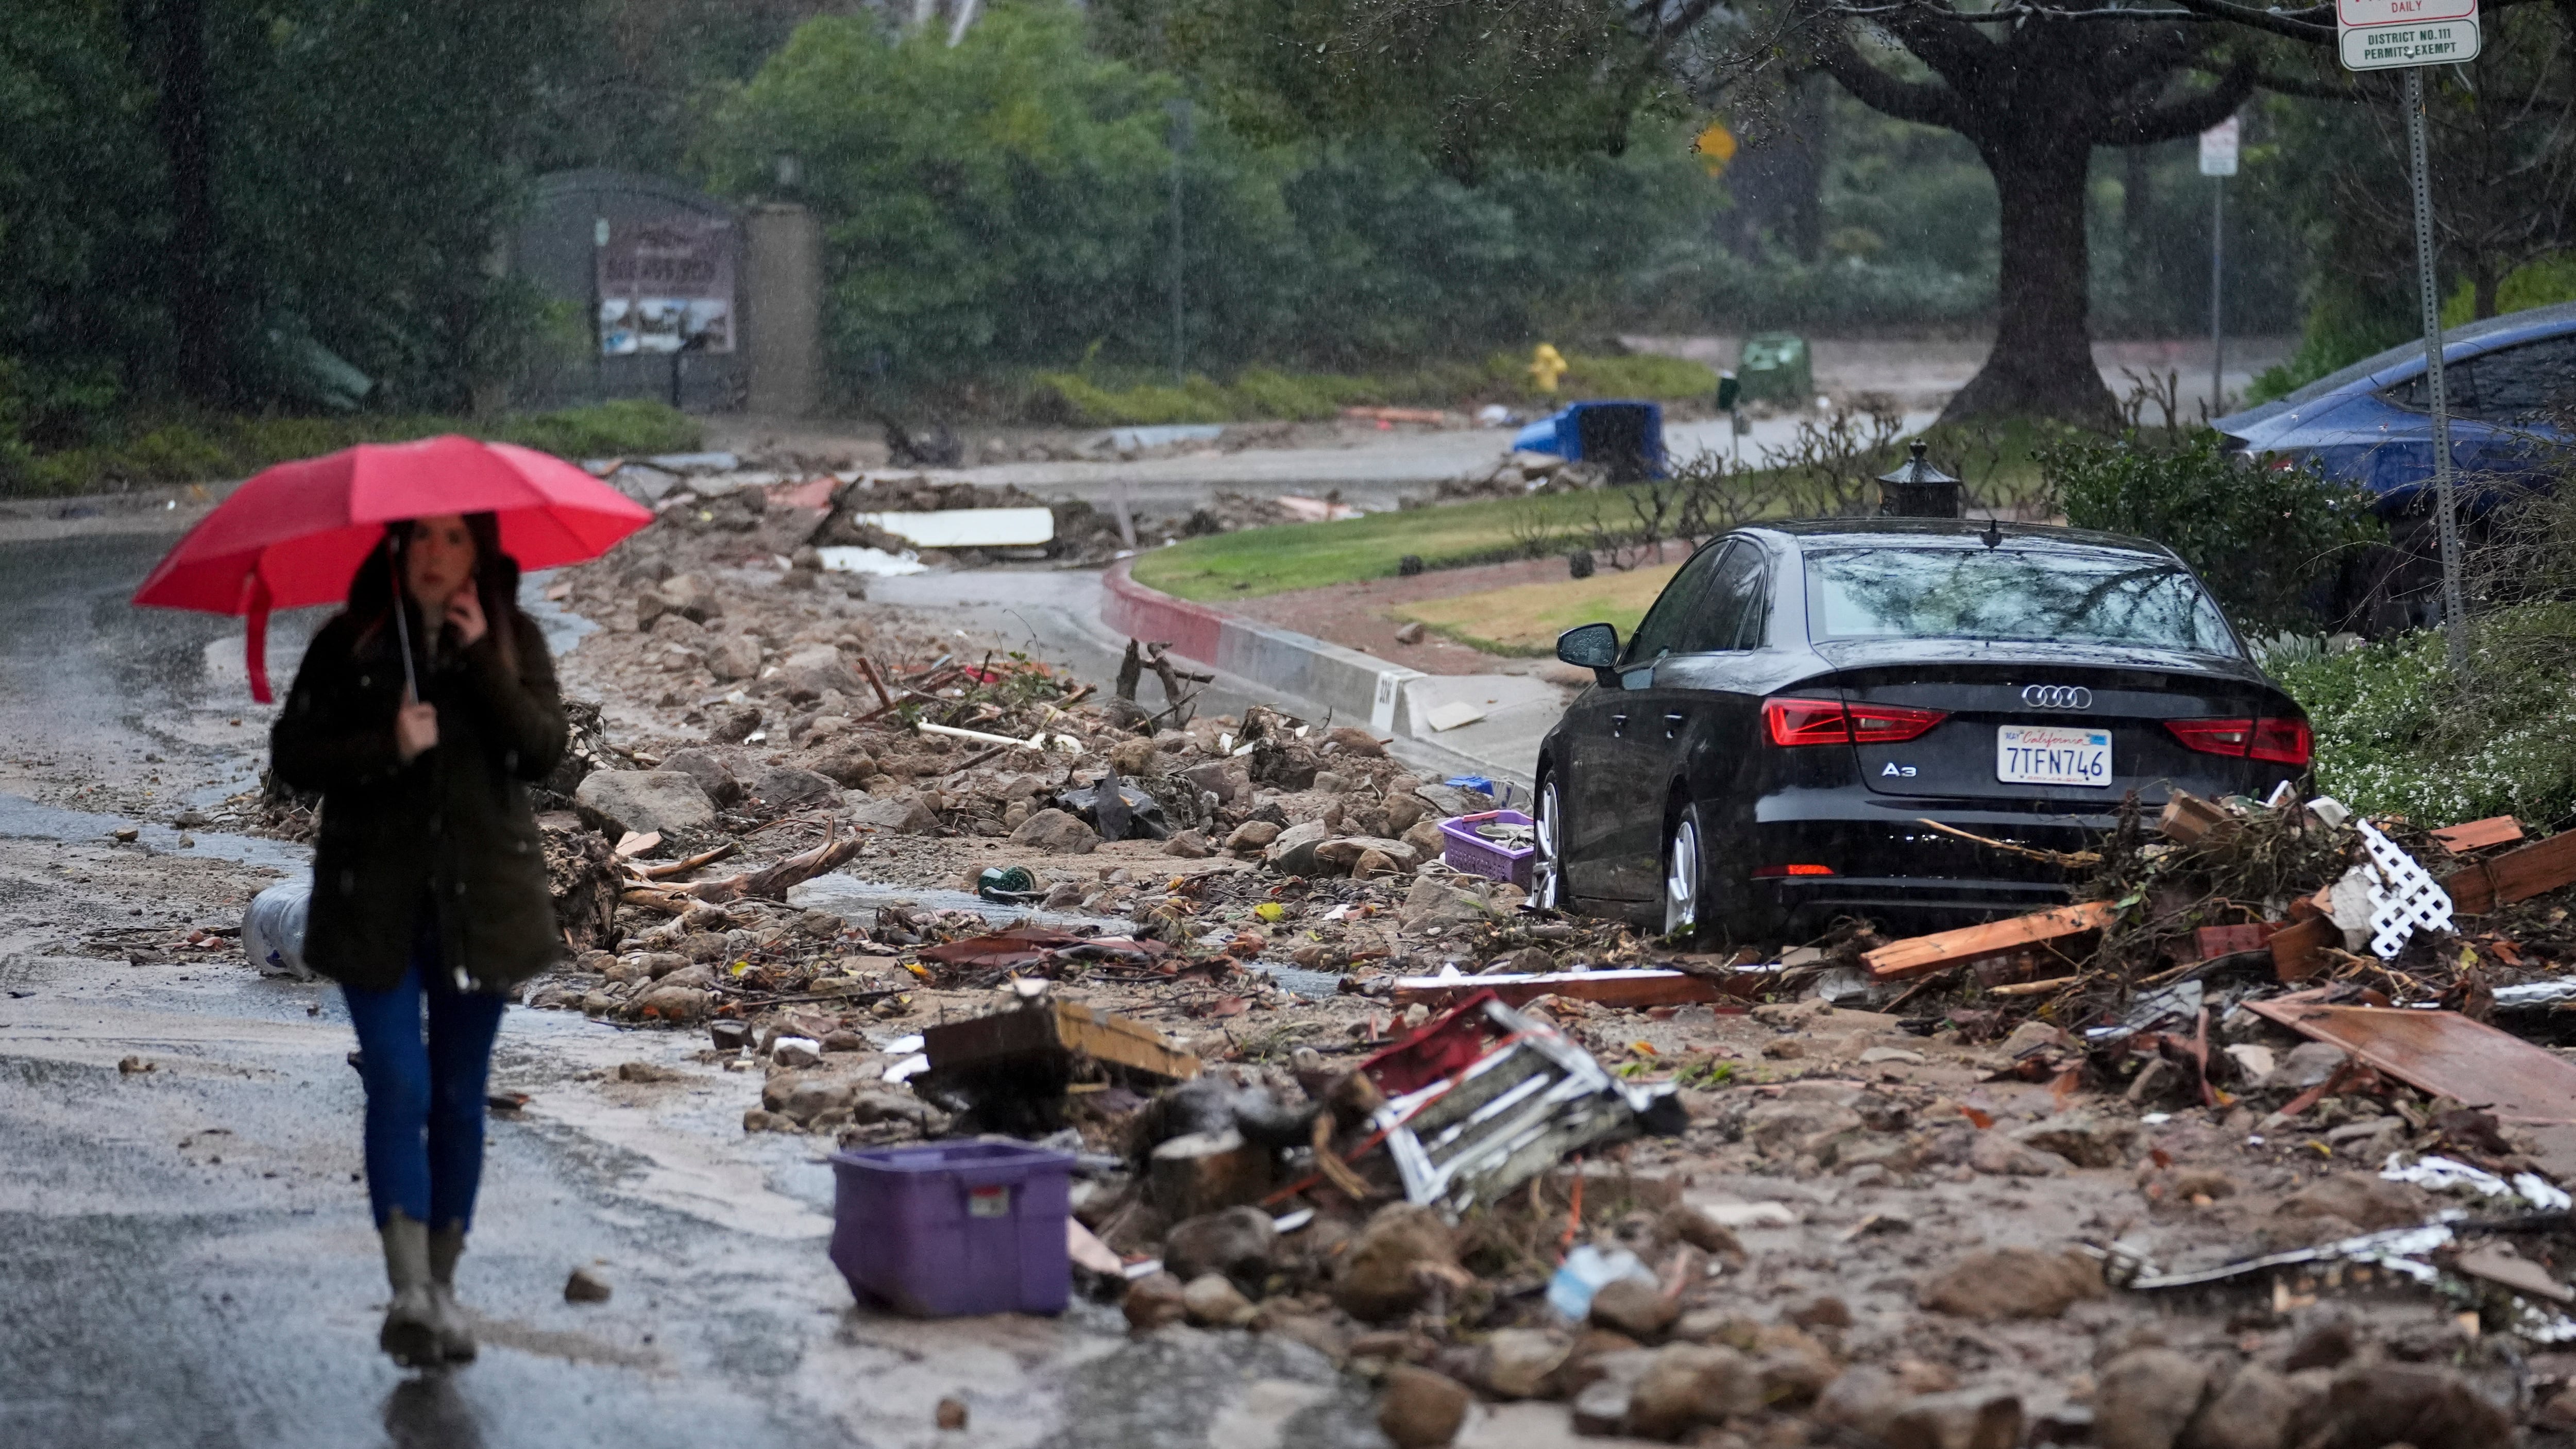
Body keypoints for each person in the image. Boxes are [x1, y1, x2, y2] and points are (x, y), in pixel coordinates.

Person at [270, 512, 567, 1367]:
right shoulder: (351, 642)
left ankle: (442, 1291)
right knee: (399, 1083)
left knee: (458, 1096)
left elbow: (543, 752)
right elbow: (293, 756)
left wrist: (481, 665)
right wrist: (386, 744)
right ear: (396, 546)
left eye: (455, 539)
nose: (435, 555)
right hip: (374, 906)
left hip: (486, 910)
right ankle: (408, 1291)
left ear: (481, 552)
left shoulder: (512, 637)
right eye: (421, 538)